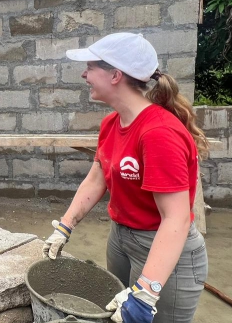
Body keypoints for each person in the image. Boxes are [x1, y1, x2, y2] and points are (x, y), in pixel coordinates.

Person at [42, 32, 210, 323]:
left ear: (116, 75)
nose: (84, 74)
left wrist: (147, 290)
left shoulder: (158, 133)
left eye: (91, 67)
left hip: (164, 247)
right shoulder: (112, 122)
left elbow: (177, 218)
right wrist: (65, 226)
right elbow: (97, 180)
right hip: (121, 238)